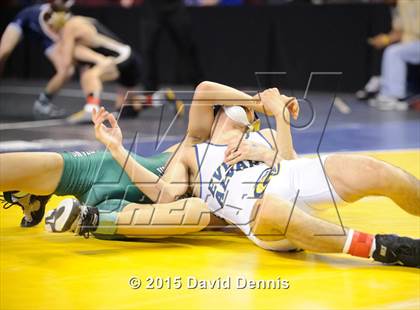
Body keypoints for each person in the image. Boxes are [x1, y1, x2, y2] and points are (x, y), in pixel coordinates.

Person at [86, 81, 419, 267]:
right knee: (270, 206)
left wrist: (274, 133)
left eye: (249, 110)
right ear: (218, 113)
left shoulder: (264, 137)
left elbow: (293, 163)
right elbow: (163, 194)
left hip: (290, 179)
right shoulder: (194, 150)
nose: (245, 111)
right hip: (261, 216)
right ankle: (381, 247)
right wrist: (116, 147)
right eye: (241, 106)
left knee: (369, 168)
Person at [56, 15, 185, 123]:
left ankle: (91, 109)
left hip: (121, 58)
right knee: (125, 110)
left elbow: (67, 63)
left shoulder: (70, 29)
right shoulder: (83, 22)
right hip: (128, 57)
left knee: (90, 76)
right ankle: (161, 97)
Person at [0, 1, 72, 119]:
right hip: (25, 22)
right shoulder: (45, 11)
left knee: (67, 70)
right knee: (3, 52)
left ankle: (42, 103)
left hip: (46, 36)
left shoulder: (67, 12)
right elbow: (47, 20)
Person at [367, 0, 420, 111]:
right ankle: (392, 95)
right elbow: (399, 31)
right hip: (415, 44)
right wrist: (385, 39)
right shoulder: (398, 6)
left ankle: (392, 96)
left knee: (394, 52)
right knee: (394, 51)